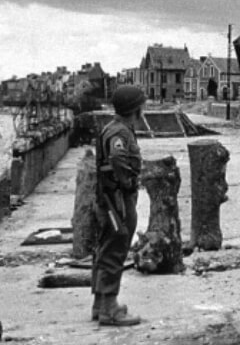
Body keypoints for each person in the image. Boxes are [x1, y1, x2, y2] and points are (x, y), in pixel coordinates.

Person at [91, 85, 146, 326]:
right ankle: (109, 309)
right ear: (135, 109)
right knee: (116, 248)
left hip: (110, 198)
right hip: (118, 201)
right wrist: (128, 182)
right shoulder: (120, 132)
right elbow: (117, 158)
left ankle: (100, 302)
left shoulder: (112, 128)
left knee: (105, 249)